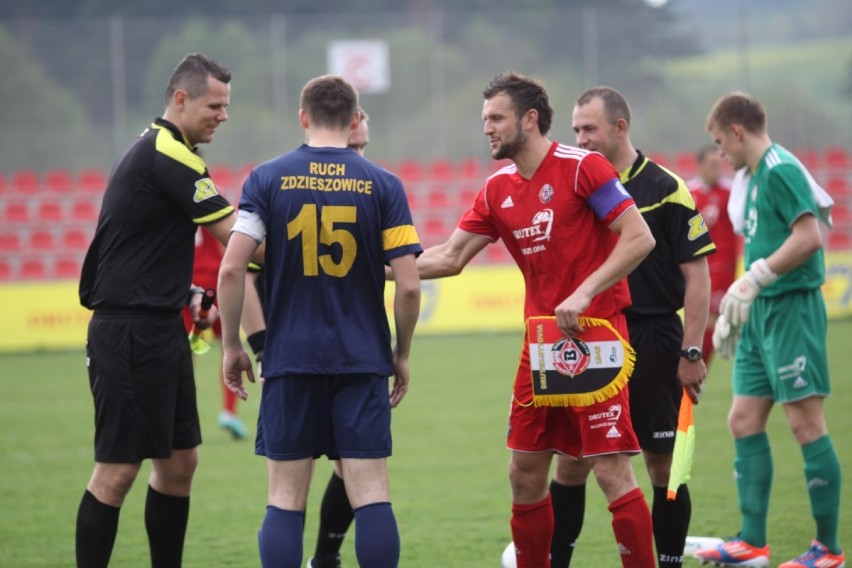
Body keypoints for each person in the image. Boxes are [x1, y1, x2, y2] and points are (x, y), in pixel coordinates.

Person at [395, 71, 657, 568]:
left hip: (596, 337)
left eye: (496, 118)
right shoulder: (497, 190)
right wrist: (373, 270)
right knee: (524, 471)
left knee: (609, 471)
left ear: (529, 119)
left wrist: (584, 292)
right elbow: (449, 257)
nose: (487, 128)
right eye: (484, 119)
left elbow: (639, 237)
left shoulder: (585, 169)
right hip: (540, 347)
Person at [217, 76, 421, 568]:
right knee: (370, 490)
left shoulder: (266, 178)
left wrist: (231, 346)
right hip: (361, 358)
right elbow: (410, 285)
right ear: (355, 121)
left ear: (303, 117)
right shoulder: (384, 184)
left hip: (290, 359)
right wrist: (402, 353)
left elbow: (231, 268)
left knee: (285, 497)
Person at [76, 53, 242, 567]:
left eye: (226, 105)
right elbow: (240, 243)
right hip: (129, 334)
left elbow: (137, 247)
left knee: (179, 464)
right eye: (215, 104)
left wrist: (183, 290)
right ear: (180, 99)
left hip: (159, 327)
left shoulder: (166, 151)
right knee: (117, 471)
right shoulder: (169, 156)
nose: (223, 114)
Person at [549, 86, 714, 568]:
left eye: (590, 129)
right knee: (572, 462)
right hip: (588, 338)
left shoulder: (664, 188)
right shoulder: (576, 185)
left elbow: (697, 276)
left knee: (661, 463)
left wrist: (691, 351)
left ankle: (667, 561)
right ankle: (557, 561)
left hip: (652, 336)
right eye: (576, 129)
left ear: (621, 127)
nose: (581, 139)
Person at [695, 92, 845, 567]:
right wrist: (744, 295)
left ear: (737, 131)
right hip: (761, 313)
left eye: (721, 142)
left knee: (804, 422)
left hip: (791, 310)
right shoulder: (753, 176)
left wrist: (756, 277)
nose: (720, 154)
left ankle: (828, 549)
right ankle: (752, 543)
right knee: (742, 420)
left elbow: (809, 237)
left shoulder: (779, 169)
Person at [308, 107, 372, 568]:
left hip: (348, 349)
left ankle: (324, 558)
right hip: (308, 353)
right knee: (293, 480)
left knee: (344, 467)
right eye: (353, 147)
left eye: (364, 147)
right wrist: (257, 342)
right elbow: (245, 272)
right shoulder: (293, 188)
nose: (358, 156)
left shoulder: (369, 189)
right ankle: (322, 557)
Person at [181, 226, 248, 439]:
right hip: (214, 281)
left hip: (185, 283)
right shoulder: (206, 196)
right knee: (230, 344)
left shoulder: (170, 200)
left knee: (186, 350)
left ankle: (181, 412)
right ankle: (229, 411)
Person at [687, 144, 738, 367]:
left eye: (719, 164)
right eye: (711, 165)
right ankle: (697, 368)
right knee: (708, 320)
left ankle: (697, 368)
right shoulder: (689, 193)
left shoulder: (731, 192)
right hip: (697, 268)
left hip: (723, 268)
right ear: (700, 166)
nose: (717, 169)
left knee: (710, 320)